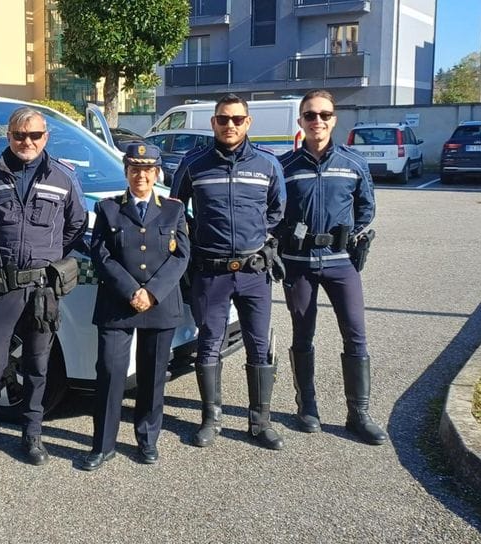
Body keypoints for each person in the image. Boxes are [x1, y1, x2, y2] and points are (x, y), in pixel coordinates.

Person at [0, 106, 88, 468]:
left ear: (45, 137)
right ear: (9, 136)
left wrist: (46, 258)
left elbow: (76, 226)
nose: (27, 142)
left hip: (42, 289)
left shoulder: (63, 177)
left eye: (35, 135)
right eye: (20, 135)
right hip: (3, 286)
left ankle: (32, 436)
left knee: (37, 365)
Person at [170, 93, 286, 450]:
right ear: (213, 123)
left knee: (258, 345)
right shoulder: (194, 164)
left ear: (248, 123)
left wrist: (253, 237)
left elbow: (277, 211)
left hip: (254, 271)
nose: (230, 125)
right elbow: (177, 212)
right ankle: (211, 418)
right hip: (211, 270)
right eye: (223, 119)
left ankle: (259, 420)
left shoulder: (268, 165)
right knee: (209, 345)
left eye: (237, 119)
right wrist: (199, 237)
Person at [277, 90, 387, 445]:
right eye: (310, 115)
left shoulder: (354, 163)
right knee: (302, 335)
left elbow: (366, 208)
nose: (317, 121)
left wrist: (348, 235)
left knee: (355, 334)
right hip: (299, 264)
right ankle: (306, 405)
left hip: (341, 263)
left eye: (324, 114)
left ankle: (359, 413)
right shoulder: (286, 167)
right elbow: (274, 212)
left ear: (334, 119)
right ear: (301, 122)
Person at [79, 144, 190, 471]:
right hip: (118, 302)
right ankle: (103, 445)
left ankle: (147, 439)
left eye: (147, 170)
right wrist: (131, 291)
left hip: (160, 303)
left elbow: (181, 256)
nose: (141, 175)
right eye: (134, 169)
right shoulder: (109, 209)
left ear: (157, 173)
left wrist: (152, 292)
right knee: (111, 374)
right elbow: (101, 256)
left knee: (153, 375)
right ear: (126, 172)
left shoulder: (174, 210)